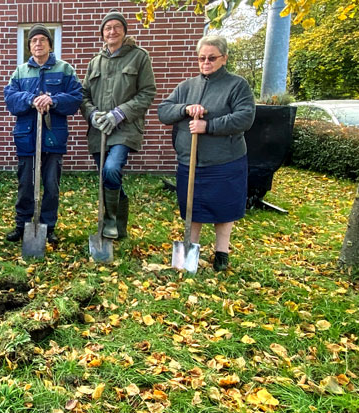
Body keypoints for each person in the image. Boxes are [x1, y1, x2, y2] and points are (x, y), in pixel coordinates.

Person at [157, 35, 255, 271]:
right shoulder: (186, 87)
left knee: (224, 207)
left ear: (224, 58)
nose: (206, 62)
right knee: (193, 206)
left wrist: (208, 126)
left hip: (225, 160)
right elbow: (164, 111)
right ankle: (192, 248)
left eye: (212, 58)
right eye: (202, 58)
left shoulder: (237, 85)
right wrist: (185, 108)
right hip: (189, 161)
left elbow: (245, 117)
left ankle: (221, 253)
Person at [80, 10, 156, 240]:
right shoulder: (95, 62)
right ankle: (117, 226)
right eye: (107, 28)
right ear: (102, 33)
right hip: (99, 130)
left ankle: (111, 220)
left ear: (124, 30)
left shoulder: (139, 57)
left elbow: (147, 92)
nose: (112, 31)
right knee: (106, 176)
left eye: (116, 27)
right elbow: (83, 95)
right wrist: (92, 115)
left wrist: (119, 113)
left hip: (125, 128)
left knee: (112, 169)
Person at [3, 24, 82, 244]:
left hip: (53, 137)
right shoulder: (20, 71)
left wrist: (53, 100)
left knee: (51, 185)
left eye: (42, 40)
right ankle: (23, 224)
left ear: (49, 43)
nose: (38, 44)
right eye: (34, 41)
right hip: (27, 137)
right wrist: (30, 99)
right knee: (26, 183)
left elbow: (76, 97)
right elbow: (9, 98)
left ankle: (48, 226)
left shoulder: (65, 69)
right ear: (29, 46)